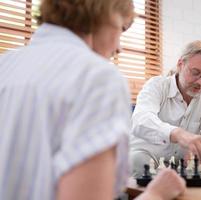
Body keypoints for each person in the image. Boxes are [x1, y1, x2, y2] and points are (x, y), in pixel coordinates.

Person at [0, 0, 186, 200]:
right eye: (122, 29)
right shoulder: (97, 77)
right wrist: (156, 194)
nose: (119, 47)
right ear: (107, 15)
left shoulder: (6, 64)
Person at [130, 40, 201, 177]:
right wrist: (179, 134)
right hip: (151, 156)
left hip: (186, 162)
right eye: (195, 72)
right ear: (181, 65)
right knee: (137, 161)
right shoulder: (156, 85)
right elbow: (141, 121)